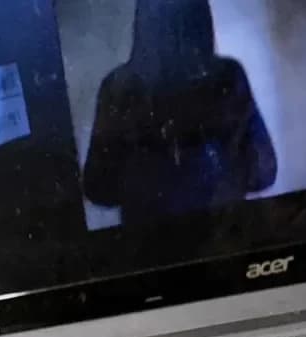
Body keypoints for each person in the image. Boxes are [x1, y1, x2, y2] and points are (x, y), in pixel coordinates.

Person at [82, 0, 278, 227]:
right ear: (202, 17)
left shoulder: (118, 87)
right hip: (223, 236)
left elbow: (99, 189)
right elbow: (263, 173)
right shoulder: (228, 77)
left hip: (150, 241)